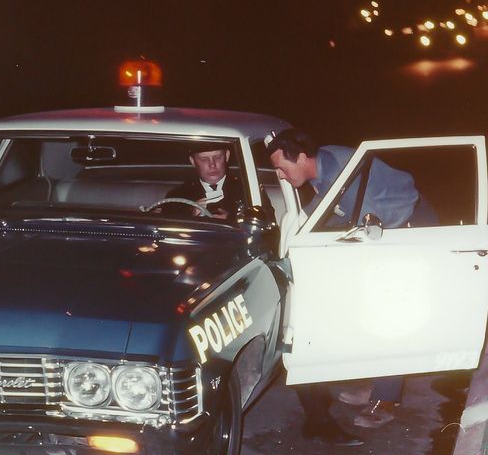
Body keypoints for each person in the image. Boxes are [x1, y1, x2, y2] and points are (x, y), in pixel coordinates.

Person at [266, 128, 438, 433]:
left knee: (388, 315)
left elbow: (374, 219)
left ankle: (386, 399)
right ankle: (376, 383)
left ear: (303, 158)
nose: (280, 175)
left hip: (408, 225)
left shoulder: (347, 175)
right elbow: (328, 207)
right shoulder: (324, 167)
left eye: (283, 167)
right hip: (382, 223)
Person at [163, 142, 245, 219]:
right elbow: (169, 227)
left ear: (227, 155)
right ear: (193, 161)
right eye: (204, 159)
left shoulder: (246, 190)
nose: (212, 164)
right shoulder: (178, 196)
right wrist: (192, 215)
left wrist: (232, 220)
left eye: (217, 157)